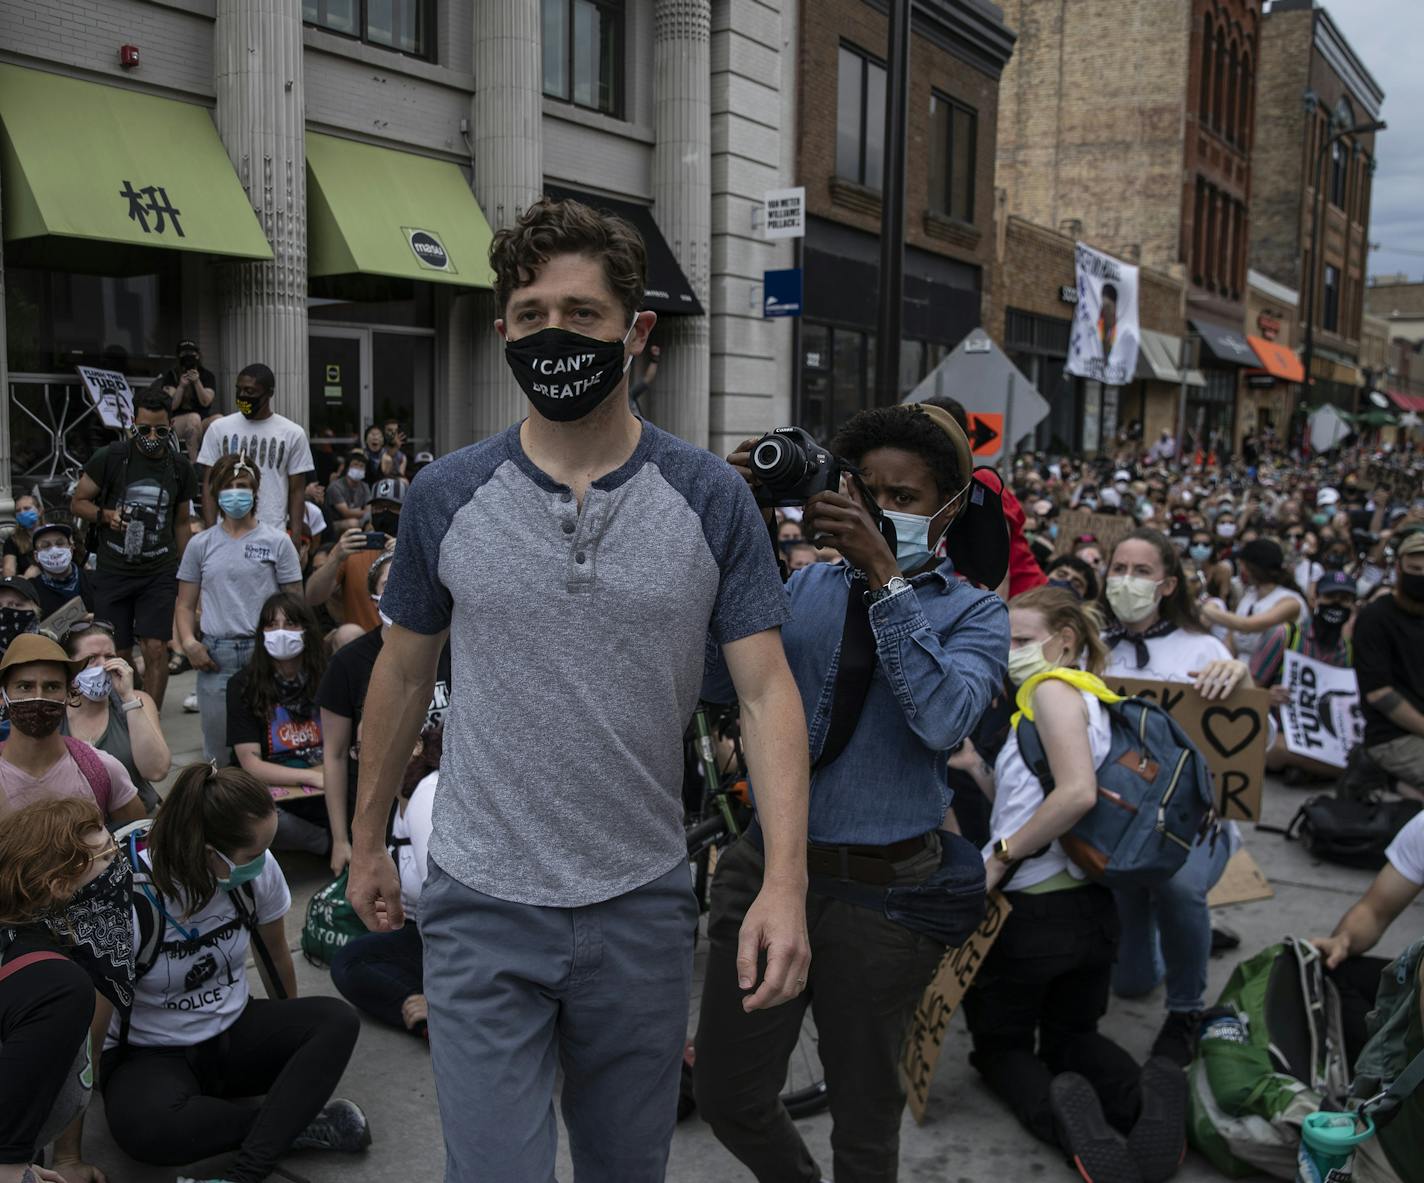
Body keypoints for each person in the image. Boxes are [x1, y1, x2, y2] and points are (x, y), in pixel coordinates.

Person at [349, 195, 811, 1183]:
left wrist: (783, 882)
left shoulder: (710, 498)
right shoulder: (445, 494)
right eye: (529, 316)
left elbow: (768, 696)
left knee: (622, 1169)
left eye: (580, 314)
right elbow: (400, 671)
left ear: (636, 332)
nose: (552, 335)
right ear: (502, 330)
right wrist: (365, 841)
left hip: (639, 906)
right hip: (480, 901)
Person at [698, 403, 1008, 1183]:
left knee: (866, 1123)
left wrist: (885, 575)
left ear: (946, 509)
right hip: (767, 872)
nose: (877, 508)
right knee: (728, 1092)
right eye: (865, 490)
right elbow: (711, 682)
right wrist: (737, 531)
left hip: (883, 904)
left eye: (901, 497)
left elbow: (943, 720)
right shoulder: (804, 589)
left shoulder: (976, 612)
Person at [958, 587, 1183, 1183]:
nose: (1011, 653)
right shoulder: (1091, 699)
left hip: (1031, 914)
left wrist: (999, 859)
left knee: (1002, 1046)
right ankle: (1144, 1103)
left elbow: (1077, 794)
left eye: (1023, 640)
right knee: (1073, 1034)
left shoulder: (1053, 691)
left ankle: (1072, 1128)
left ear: (1066, 641)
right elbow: (1035, 799)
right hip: (1089, 909)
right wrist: (980, 769)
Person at [97, 764, 368, 1183]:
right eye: (252, 855)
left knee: (337, 1021)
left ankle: (245, 1169)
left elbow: (277, 956)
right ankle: (285, 1128)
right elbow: (93, 1025)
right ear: (208, 853)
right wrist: (65, 1153)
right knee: (146, 1130)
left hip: (232, 1032)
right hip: (151, 1052)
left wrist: (292, 1055)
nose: (263, 863)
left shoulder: (253, 874)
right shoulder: (126, 896)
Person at [1100, 529, 1251, 1065]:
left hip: (1192, 827)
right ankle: (1184, 937)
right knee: (1133, 982)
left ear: (1166, 584)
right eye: (1118, 567)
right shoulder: (1093, 647)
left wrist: (1240, 679)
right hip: (1115, 825)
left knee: (1180, 887)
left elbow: (1257, 745)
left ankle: (1187, 1008)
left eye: (1141, 572)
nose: (1127, 580)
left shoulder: (1204, 648)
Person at [0, 797, 128, 1183]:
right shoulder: (57, 985)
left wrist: (27, 1168)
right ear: (59, 886)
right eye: (107, 858)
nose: (119, 865)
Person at [316, 551, 451, 875]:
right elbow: (334, 757)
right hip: (380, 812)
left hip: (446, 803)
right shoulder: (348, 663)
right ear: (375, 597)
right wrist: (341, 839)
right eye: (390, 584)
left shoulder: (451, 647)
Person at [70, 391, 195, 710]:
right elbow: (78, 502)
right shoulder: (110, 457)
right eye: (144, 430)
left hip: (159, 571)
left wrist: (188, 573)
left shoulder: (179, 466)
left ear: (171, 426)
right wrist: (106, 516)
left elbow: (181, 523)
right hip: (113, 571)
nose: (152, 437)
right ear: (132, 425)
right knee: (118, 653)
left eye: (161, 431)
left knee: (156, 648)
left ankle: (148, 716)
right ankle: (125, 708)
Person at [177, 452, 304, 763]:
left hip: (266, 653)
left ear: (255, 490)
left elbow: (295, 604)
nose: (236, 491)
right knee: (219, 751)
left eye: (243, 485)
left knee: (273, 745)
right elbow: (184, 604)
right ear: (217, 493)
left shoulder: (278, 542)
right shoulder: (200, 544)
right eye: (229, 485)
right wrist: (189, 644)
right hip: (215, 657)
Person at [330, 734, 439, 1037]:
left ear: (416, 744)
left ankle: (445, 1018)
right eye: (359, 749)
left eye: (375, 743)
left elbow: (456, 910)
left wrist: (441, 999)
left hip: (461, 943)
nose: (365, 758)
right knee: (349, 960)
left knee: (351, 965)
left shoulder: (426, 797)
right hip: (425, 933)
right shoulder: (400, 798)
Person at [0, 633, 145, 825]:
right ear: (3, 696)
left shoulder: (101, 770)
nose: (38, 697)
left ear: (69, 694)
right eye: (25, 686)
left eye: (52, 687)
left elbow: (138, 842)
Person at [227, 593, 330, 854]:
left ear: (307, 630)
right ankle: (329, 844)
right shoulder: (243, 684)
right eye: (271, 625)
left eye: (291, 624)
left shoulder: (328, 676)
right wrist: (314, 777)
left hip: (329, 779)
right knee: (249, 816)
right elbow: (250, 764)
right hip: (278, 789)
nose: (280, 633)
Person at [1249, 570, 1358, 776]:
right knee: (1276, 749)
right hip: (1277, 731)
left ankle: (1306, 769)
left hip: (1325, 738)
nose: (1336, 604)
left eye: (1344, 600)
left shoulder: (1348, 650)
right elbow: (1249, 687)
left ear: (1352, 606)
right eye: (1330, 597)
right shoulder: (1285, 635)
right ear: (1314, 600)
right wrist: (1267, 696)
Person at [61, 620, 168, 813]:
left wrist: (128, 698)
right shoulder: (55, 711)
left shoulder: (137, 701)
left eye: (109, 656)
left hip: (136, 823)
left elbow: (156, 770)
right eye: (92, 658)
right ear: (70, 664)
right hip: (77, 828)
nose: (103, 665)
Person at [198, 363, 314, 538]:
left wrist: (296, 536)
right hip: (226, 532)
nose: (243, 396)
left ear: (269, 393)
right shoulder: (218, 429)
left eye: (250, 391)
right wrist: (209, 532)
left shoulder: (292, 433)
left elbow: (296, 490)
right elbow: (208, 484)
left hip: (272, 532)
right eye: (239, 390)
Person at [1353, 530, 1424, 796]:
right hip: (1392, 737)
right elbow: (1380, 694)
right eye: (1415, 569)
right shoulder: (1376, 618)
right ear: (1399, 568)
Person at [302, 477, 404, 634]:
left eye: (392, 507)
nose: (384, 512)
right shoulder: (354, 550)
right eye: (378, 507)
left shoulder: (418, 550)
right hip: (361, 644)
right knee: (345, 635)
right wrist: (335, 557)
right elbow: (313, 597)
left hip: (405, 645)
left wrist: (405, 556)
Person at [1200, 538, 1308, 657]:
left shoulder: (1290, 602)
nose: (1241, 570)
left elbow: (1248, 625)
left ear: (1252, 567)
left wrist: (1205, 609)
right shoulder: (1250, 595)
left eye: (1242, 565)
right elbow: (1233, 635)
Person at [160, 338, 219, 461]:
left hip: (201, 421)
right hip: (176, 422)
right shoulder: (172, 375)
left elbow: (206, 401)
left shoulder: (206, 375)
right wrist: (181, 386)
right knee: (193, 419)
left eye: (192, 354)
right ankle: (195, 463)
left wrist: (197, 382)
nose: (188, 358)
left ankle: (217, 463)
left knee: (219, 420)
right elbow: (171, 406)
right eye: (184, 354)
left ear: (198, 355)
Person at [28, 521, 94, 622]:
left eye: (60, 543)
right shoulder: (31, 591)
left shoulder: (94, 579)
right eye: (46, 546)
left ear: (71, 549)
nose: (54, 551)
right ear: (36, 556)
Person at [324, 449, 371, 534]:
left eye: (362, 466)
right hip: (335, 523)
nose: (358, 468)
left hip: (359, 520)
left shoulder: (365, 486)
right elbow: (346, 513)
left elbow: (369, 509)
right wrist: (363, 512)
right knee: (353, 523)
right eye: (355, 465)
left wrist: (359, 513)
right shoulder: (335, 487)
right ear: (348, 467)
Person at [2, 494, 42, 579]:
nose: (22, 513)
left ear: (39, 511)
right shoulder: (13, 540)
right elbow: (8, 570)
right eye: (18, 511)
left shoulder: (52, 533)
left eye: (27, 508)